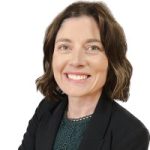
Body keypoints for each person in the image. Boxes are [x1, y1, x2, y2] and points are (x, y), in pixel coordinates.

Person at [18, 1, 149, 150]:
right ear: (51, 56)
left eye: (93, 48)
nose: (76, 61)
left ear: (111, 59)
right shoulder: (46, 110)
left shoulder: (130, 133)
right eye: (65, 47)